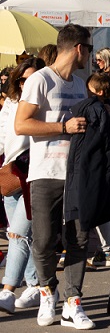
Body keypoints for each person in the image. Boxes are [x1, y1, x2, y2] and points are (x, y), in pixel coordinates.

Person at [14, 23, 96, 329]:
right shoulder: (40, 79)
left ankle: (73, 302)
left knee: (79, 238)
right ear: (78, 48)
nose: (89, 55)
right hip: (45, 172)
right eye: (88, 48)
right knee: (45, 240)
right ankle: (48, 291)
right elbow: (21, 125)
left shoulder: (80, 83)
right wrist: (64, 127)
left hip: (76, 175)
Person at [63, 72, 110, 284]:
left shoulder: (100, 111)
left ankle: (108, 249)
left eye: (89, 90)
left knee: (100, 210)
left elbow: (107, 143)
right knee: (109, 209)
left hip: (103, 168)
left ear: (99, 92)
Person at [0, 57, 45, 315]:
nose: (27, 83)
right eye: (22, 79)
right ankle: (35, 285)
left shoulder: (45, 102)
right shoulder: (11, 103)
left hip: (34, 173)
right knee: (18, 235)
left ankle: (7, 290)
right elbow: (2, 136)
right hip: (10, 172)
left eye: (32, 78)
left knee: (17, 233)